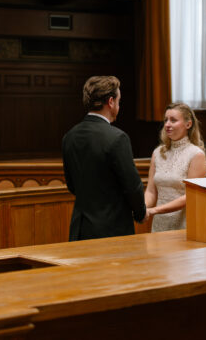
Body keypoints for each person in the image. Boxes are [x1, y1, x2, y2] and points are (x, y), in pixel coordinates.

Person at [62, 75, 146, 240]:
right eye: (119, 101)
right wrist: (140, 213)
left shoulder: (69, 136)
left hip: (80, 228)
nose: (119, 106)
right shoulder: (117, 138)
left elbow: (71, 185)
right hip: (112, 229)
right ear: (111, 102)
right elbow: (132, 185)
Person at [144, 102, 206, 232]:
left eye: (173, 120)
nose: (167, 124)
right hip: (159, 223)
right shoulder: (158, 153)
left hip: (183, 224)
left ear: (188, 124)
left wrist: (155, 210)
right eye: (166, 120)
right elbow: (150, 191)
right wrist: (143, 208)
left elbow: (190, 196)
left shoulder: (196, 154)